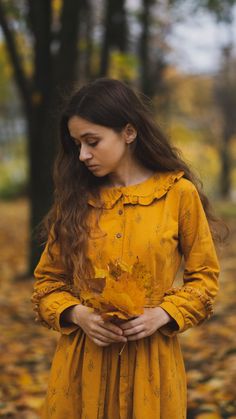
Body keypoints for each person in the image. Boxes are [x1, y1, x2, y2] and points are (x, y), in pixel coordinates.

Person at [32, 78, 220, 419]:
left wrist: (163, 314)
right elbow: (47, 284)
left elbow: (204, 279)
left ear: (129, 133)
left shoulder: (178, 195)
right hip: (82, 365)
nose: (83, 155)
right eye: (77, 144)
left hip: (152, 366)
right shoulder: (75, 201)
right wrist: (78, 315)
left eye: (92, 141)